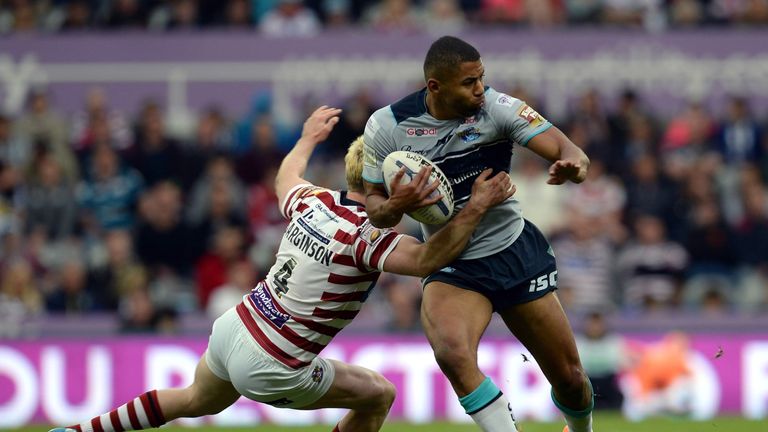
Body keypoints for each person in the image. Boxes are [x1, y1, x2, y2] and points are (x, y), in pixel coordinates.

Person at [48, 105, 515, 432]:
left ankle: (78, 431)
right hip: (274, 362)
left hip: (236, 325)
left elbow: (284, 177)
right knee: (378, 395)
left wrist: (309, 137)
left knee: (191, 400)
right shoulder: (367, 237)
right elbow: (431, 260)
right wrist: (473, 208)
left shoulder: (312, 200)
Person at [362, 36, 593, 432]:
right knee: (452, 353)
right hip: (454, 263)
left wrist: (573, 166)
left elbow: (572, 152)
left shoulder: (497, 108)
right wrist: (400, 203)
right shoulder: (387, 126)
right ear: (435, 86)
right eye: (470, 82)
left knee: (571, 380)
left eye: (482, 77)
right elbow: (376, 211)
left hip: (514, 252)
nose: (480, 88)